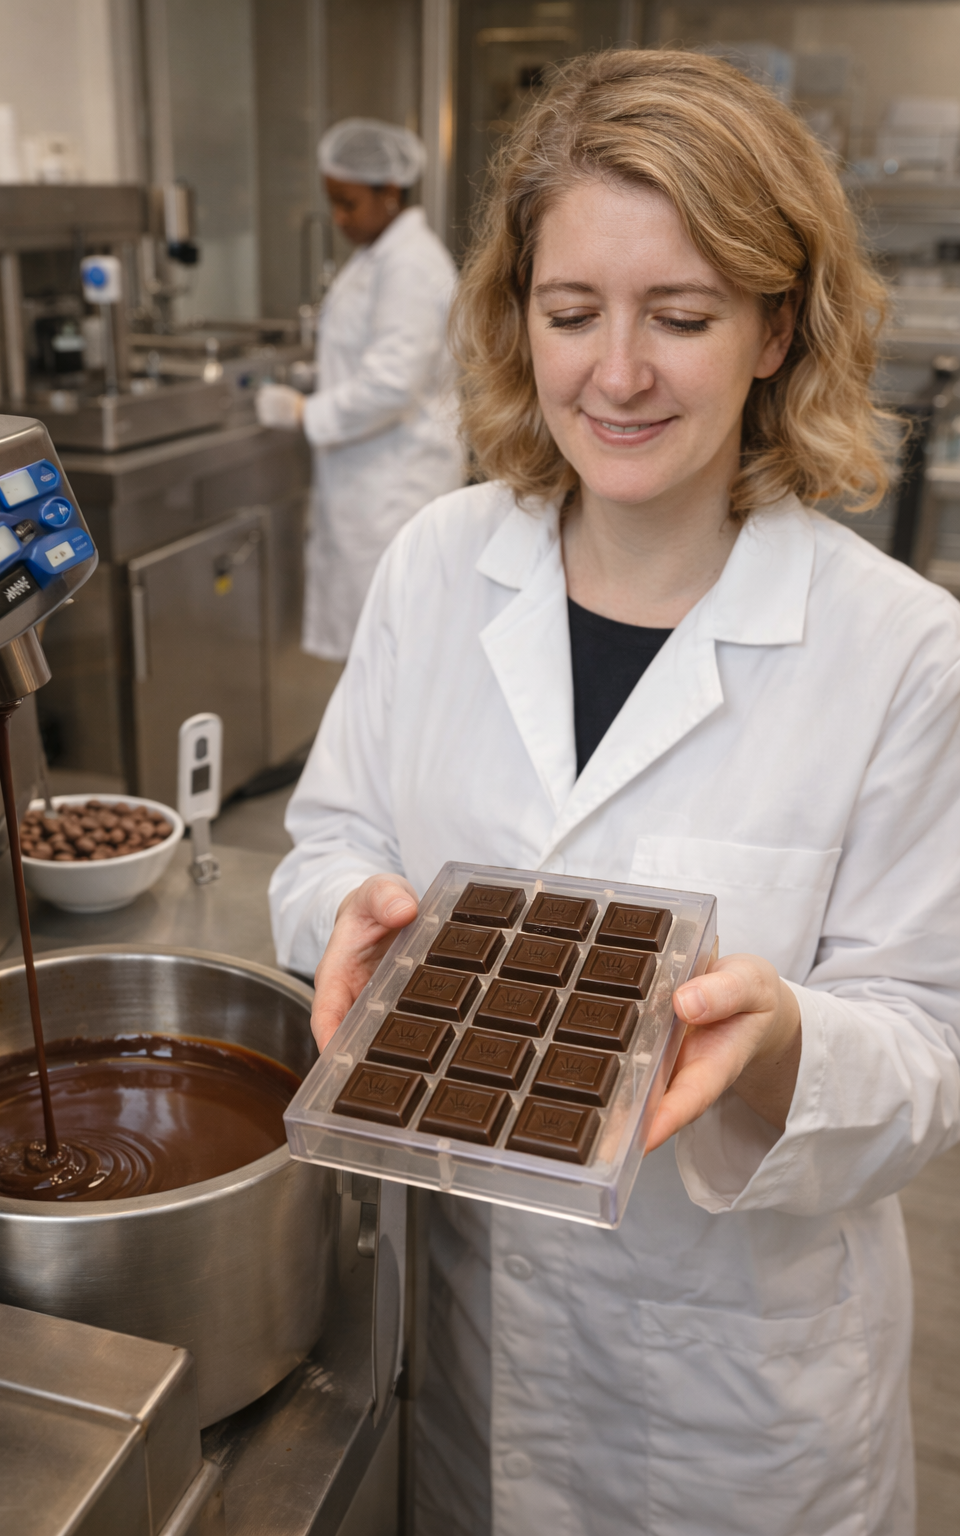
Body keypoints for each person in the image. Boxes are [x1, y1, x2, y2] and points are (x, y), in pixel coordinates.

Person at [269, 51, 960, 1536]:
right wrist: (348, 914)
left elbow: (931, 1051)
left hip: (738, 1410)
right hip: (460, 1346)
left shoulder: (899, 651)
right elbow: (332, 837)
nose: (618, 372)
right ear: (518, 318)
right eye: (571, 312)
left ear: (779, 328)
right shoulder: (439, 567)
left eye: (684, 317)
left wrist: (784, 1046)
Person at [257, 117, 464, 661]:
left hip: (395, 484)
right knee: (375, 651)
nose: (339, 218)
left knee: (397, 646)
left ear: (389, 191)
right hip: (368, 478)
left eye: (349, 203)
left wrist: (306, 412)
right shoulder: (377, 256)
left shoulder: (411, 264)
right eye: (334, 203)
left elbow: (392, 383)